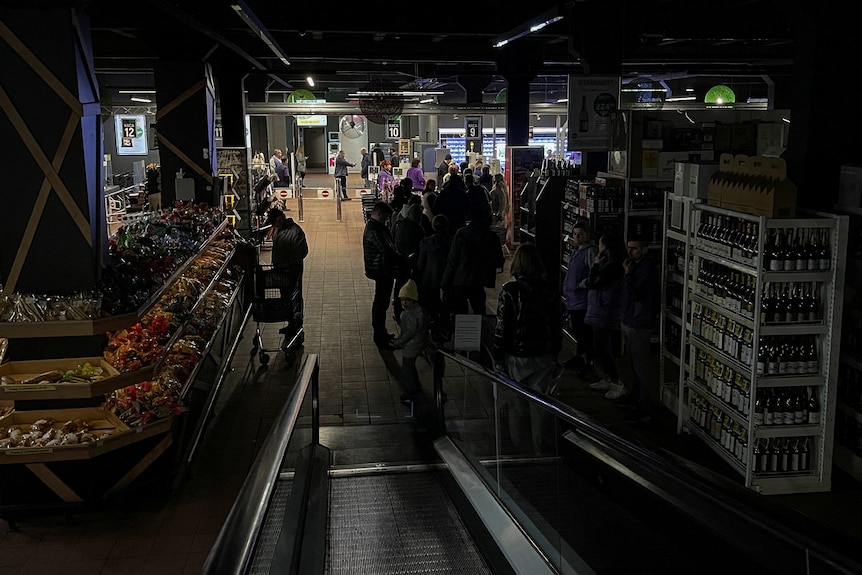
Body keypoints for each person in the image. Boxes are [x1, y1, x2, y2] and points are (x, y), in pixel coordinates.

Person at [493, 243, 563, 455]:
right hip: (543, 355)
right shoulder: (550, 290)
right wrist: (555, 352)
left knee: (516, 405)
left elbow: (502, 328)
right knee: (540, 406)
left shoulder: (510, 292)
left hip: (517, 356)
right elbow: (556, 324)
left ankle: (519, 450)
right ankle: (541, 450)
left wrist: (498, 357)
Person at [617, 237, 660, 423]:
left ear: (644, 249)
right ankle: (635, 398)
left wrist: (627, 274)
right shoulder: (635, 266)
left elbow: (636, 294)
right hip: (629, 319)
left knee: (641, 367)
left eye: (634, 248)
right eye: (628, 248)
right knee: (632, 363)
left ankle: (644, 407)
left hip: (639, 322)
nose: (630, 252)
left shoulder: (647, 269)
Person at [440, 189, 504, 316]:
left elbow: (452, 262)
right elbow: (498, 261)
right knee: (479, 313)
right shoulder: (491, 237)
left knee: (461, 317)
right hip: (479, 281)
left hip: (460, 280)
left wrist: (444, 284)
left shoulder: (461, 234)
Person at [583, 234, 626, 399]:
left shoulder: (613, 267)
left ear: (606, 247)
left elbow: (592, 282)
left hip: (605, 310)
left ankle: (616, 382)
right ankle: (608, 378)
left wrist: (595, 265)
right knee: (601, 346)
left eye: (600, 245)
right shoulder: (611, 265)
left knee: (601, 346)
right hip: (601, 309)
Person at [363, 201, 402, 348]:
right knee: (380, 303)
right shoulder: (374, 229)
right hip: (381, 270)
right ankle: (379, 335)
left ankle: (382, 332)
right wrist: (401, 259)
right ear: (379, 214)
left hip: (382, 269)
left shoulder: (375, 227)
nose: (387, 220)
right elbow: (386, 250)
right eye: (386, 217)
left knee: (382, 303)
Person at [562, 221, 598, 377]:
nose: (577, 237)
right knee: (578, 331)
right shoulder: (577, 250)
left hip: (582, 301)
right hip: (573, 299)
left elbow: (594, 273)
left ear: (588, 235)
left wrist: (581, 284)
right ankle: (580, 357)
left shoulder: (590, 251)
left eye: (581, 234)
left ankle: (588, 362)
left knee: (585, 333)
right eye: (575, 234)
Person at [267, 208, 309, 338]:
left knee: (295, 297)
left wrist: (288, 262)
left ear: (280, 219)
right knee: (285, 297)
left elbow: (303, 251)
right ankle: (291, 324)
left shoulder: (295, 232)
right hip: (281, 270)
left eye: (274, 223)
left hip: (293, 270)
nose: (273, 226)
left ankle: (297, 326)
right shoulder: (277, 229)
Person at [391, 279, 428, 404]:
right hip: (418, 343)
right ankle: (416, 385)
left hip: (411, 346)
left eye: (407, 300)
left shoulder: (408, 314)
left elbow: (409, 333)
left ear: (413, 300)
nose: (404, 302)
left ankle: (411, 391)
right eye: (402, 299)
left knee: (407, 369)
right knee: (411, 367)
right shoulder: (419, 310)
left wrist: (397, 342)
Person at [416, 214, 452, 341]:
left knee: (430, 307)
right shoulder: (452, 241)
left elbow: (420, 264)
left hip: (429, 279)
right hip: (446, 279)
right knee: (445, 308)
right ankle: (444, 331)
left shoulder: (426, 242)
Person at [392, 199, 426, 323]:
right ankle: (409, 312)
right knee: (411, 287)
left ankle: (397, 310)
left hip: (399, 259)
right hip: (412, 262)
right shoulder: (418, 229)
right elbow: (421, 246)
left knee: (399, 287)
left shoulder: (399, 223)